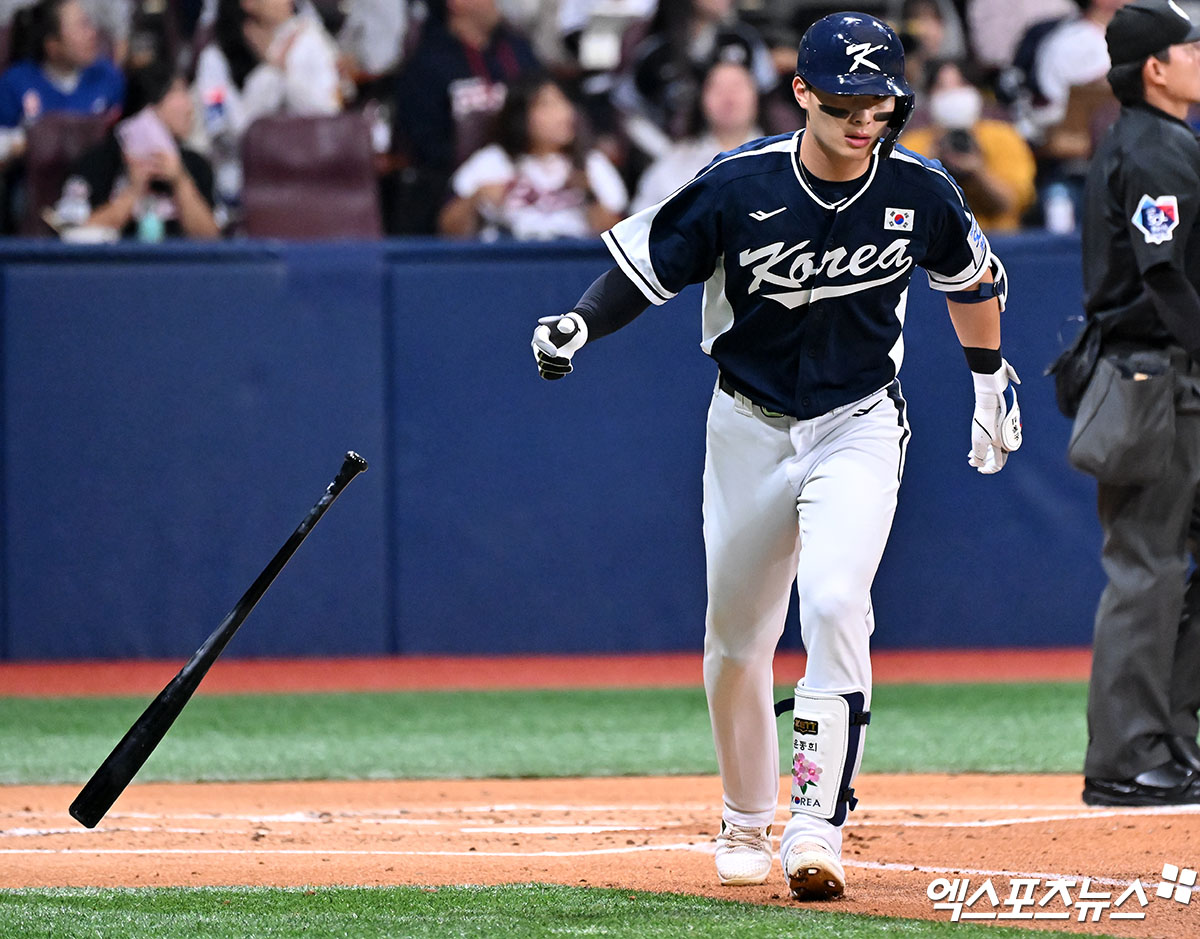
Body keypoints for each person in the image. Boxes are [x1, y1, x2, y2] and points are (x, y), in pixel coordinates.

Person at [530, 11, 1020, 900]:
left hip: (859, 419)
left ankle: (816, 822)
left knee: (836, 600)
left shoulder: (921, 187)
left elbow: (972, 280)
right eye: (843, 103)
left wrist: (989, 381)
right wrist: (579, 323)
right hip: (748, 425)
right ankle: (745, 813)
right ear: (801, 94)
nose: (864, 121)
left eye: (880, 103)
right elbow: (646, 265)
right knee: (735, 639)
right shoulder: (736, 183)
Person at [1073, 0, 1200, 806]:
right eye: (1190, 46)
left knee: (1156, 561)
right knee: (1147, 563)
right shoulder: (1157, 149)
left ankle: (1168, 734)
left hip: (1162, 371)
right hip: (1155, 377)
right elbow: (1163, 274)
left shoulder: (1153, 141)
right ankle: (1126, 757)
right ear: (1156, 67)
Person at [192, 0, 341, 211]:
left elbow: (329, 113)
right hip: (241, 179)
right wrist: (272, 70)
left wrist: (284, 75)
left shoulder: (307, 39)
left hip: (306, 173)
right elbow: (225, 127)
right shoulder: (214, 59)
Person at [438, 75, 626, 240]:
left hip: (572, 263)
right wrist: (476, 198)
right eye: (548, 105)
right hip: (511, 262)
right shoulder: (492, 162)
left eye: (563, 103)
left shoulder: (591, 163)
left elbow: (619, 238)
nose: (563, 114)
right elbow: (448, 231)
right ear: (521, 115)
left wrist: (590, 195)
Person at [60, 62, 219, 239]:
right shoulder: (98, 162)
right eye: (179, 93)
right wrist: (133, 192)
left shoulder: (195, 165)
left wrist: (180, 182)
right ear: (147, 109)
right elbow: (72, 235)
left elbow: (211, 241)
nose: (190, 108)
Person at [901, 60, 1036, 232]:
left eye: (960, 84)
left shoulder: (1004, 137)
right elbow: (902, 209)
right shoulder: (912, 144)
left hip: (996, 239)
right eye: (942, 86)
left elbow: (1011, 204)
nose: (953, 94)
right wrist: (931, 167)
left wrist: (977, 172)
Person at [630, 59, 760, 214]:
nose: (728, 98)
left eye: (737, 87)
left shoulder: (787, 155)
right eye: (718, 89)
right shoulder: (672, 164)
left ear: (756, 95)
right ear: (702, 99)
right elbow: (640, 226)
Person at [0, 0, 124, 162]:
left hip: (96, 179)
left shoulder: (108, 76)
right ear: (53, 46)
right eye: (82, 26)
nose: (92, 33)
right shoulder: (16, 82)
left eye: (89, 23)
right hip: (35, 180)